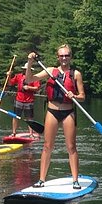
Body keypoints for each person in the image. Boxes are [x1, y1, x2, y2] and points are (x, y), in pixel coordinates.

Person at [34, 44, 85, 189]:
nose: (64, 58)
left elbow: (82, 96)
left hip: (68, 112)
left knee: (71, 147)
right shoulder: (50, 71)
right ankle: (41, 180)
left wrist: (74, 95)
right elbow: (30, 79)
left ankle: (75, 180)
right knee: (47, 146)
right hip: (52, 111)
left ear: (70, 57)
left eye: (67, 55)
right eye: (61, 55)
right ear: (58, 57)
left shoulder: (76, 74)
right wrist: (31, 62)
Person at [8, 52, 41, 136]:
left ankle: (31, 133)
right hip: (19, 99)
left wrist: (29, 88)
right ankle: (14, 132)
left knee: (29, 118)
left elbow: (37, 88)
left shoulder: (34, 77)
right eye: (24, 70)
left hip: (29, 100)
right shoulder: (18, 76)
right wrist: (8, 76)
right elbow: (10, 83)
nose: (25, 71)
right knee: (15, 116)